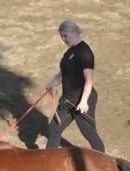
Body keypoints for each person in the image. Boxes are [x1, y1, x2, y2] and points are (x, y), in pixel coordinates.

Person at [45, 20, 105, 152]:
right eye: (61, 36)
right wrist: (53, 81)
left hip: (82, 100)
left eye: (65, 35)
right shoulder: (69, 52)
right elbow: (65, 72)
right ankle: (49, 161)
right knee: (54, 129)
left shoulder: (85, 52)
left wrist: (83, 102)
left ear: (74, 32)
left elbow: (89, 80)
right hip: (67, 100)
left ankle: (103, 161)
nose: (63, 39)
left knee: (88, 132)